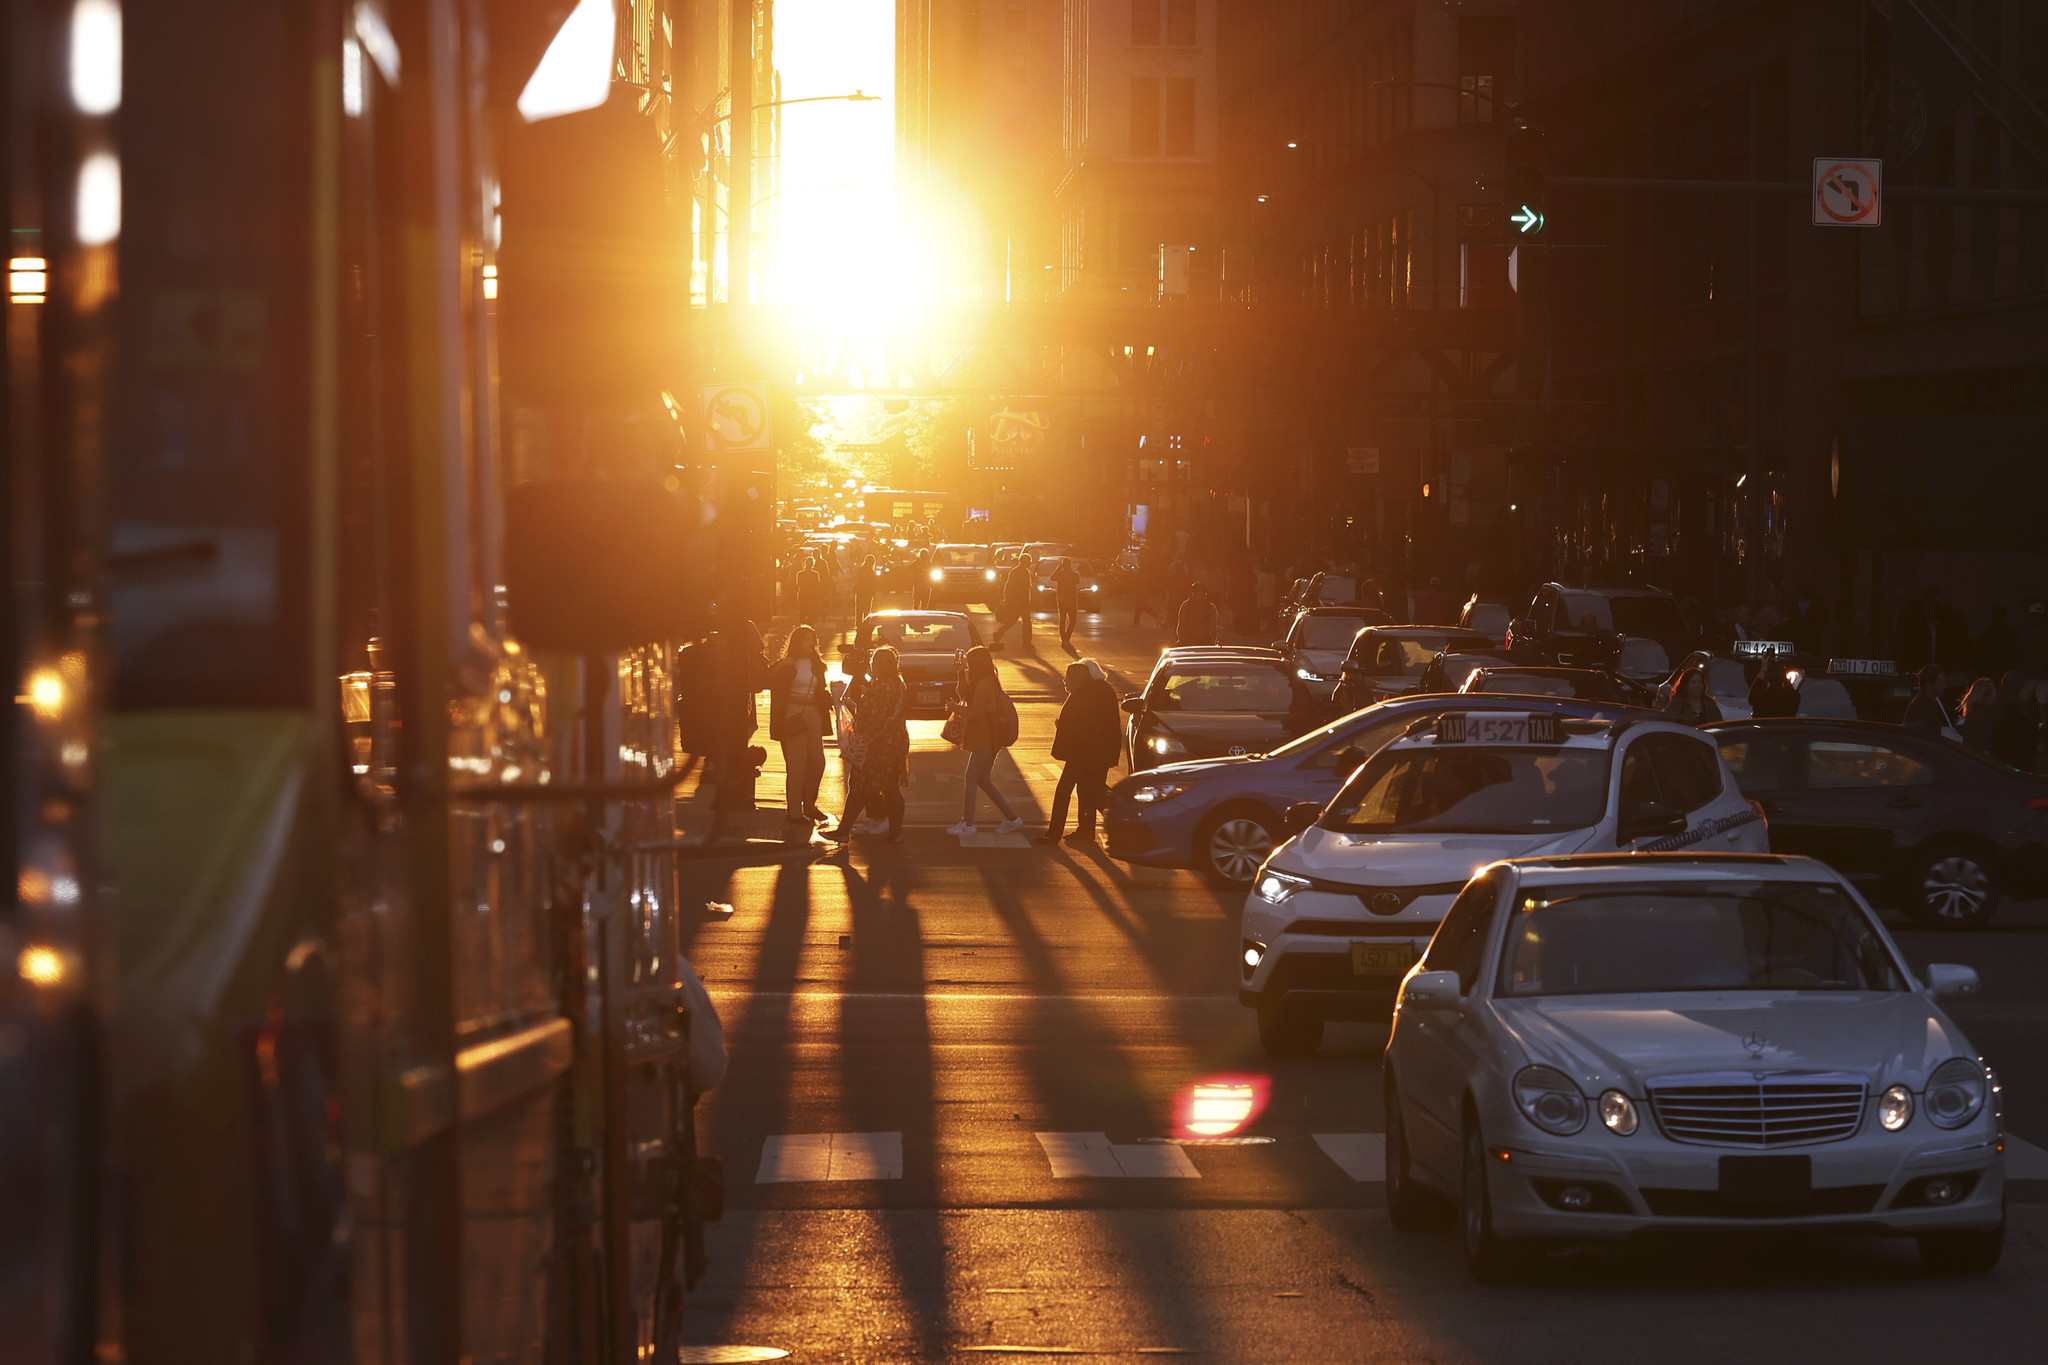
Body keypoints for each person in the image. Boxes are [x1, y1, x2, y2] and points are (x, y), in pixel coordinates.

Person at [828, 644, 908, 843]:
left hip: (877, 744)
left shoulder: (881, 688)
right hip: (896, 742)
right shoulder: (898, 684)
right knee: (890, 787)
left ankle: (843, 831)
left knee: (859, 784)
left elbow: (869, 717)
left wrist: (851, 703)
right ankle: (895, 833)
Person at [1038, 659, 1122, 845]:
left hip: (1084, 752)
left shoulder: (1085, 695)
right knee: (1091, 790)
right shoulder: (1099, 691)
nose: (1065, 682)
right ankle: (1089, 829)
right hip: (1098, 752)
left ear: (1078, 679)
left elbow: (1083, 725)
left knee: (1065, 790)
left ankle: (1054, 833)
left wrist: (1064, 727)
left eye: (1068, 678)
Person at [947, 646, 1025, 835]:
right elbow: (965, 695)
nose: (968, 664)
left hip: (986, 738)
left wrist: (955, 708)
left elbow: (974, 712)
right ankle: (1012, 818)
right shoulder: (983, 680)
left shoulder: (986, 684)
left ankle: (968, 823)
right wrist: (960, 671)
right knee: (983, 779)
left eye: (969, 661)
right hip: (987, 737)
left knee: (971, 777)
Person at [767, 625, 831, 829]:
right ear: (796, 642)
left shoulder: (817, 664)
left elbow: (821, 689)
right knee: (798, 764)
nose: (810, 644)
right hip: (792, 714)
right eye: (805, 640)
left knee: (818, 762)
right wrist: (781, 665)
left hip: (813, 714)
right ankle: (794, 811)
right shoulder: (787, 664)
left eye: (812, 640)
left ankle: (809, 804)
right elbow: (767, 681)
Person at [1992, 671, 2035, 770]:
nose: (2028, 690)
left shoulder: (2001, 706)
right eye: (2025, 687)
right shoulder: (2009, 711)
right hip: (2013, 764)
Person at [992, 553, 1036, 649]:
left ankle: (999, 634)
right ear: (1025, 562)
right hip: (1021, 601)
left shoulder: (1014, 571)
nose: (1030, 563)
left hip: (1015, 601)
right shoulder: (1024, 573)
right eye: (1029, 562)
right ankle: (1026, 643)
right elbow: (1025, 589)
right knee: (1026, 622)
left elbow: (1008, 586)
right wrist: (1028, 601)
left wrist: (1007, 599)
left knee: (1012, 621)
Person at [1903, 662, 1951, 737]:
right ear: (1928, 684)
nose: (1944, 687)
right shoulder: (1920, 707)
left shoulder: (1932, 704)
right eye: (1940, 683)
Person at [1786, 583, 1830, 655]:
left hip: (1811, 636)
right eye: (1803, 589)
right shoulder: (1793, 603)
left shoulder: (1817, 604)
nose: (1804, 591)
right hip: (1796, 635)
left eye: (1806, 589)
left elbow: (1823, 618)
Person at [1957, 677, 1998, 753]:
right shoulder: (1981, 717)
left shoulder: (1972, 715)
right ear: (1985, 696)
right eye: (1994, 693)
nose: (1995, 697)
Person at [1052, 557, 1083, 645]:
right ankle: (1066, 637)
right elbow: (1078, 581)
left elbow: (1052, 577)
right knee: (1072, 620)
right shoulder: (1075, 574)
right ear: (1070, 565)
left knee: (1062, 620)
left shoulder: (1060, 575)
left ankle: (1064, 638)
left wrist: (1059, 567)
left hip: (1062, 600)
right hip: (1071, 600)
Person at [795, 555, 824, 628]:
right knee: (811, 612)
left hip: (802, 594)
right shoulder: (815, 574)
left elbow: (799, 584)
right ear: (813, 564)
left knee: (802, 612)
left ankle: (802, 627)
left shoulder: (800, 574)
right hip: (812, 595)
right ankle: (809, 627)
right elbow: (817, 586)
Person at [853, 553, 878, 623]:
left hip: (860, 591)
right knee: (867, 609)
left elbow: (858, 579)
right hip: (868, 591)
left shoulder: (861, 570)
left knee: (859, 609)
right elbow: (874, 582)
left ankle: (858, 623)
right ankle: (866, 623)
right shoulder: (871, 572)